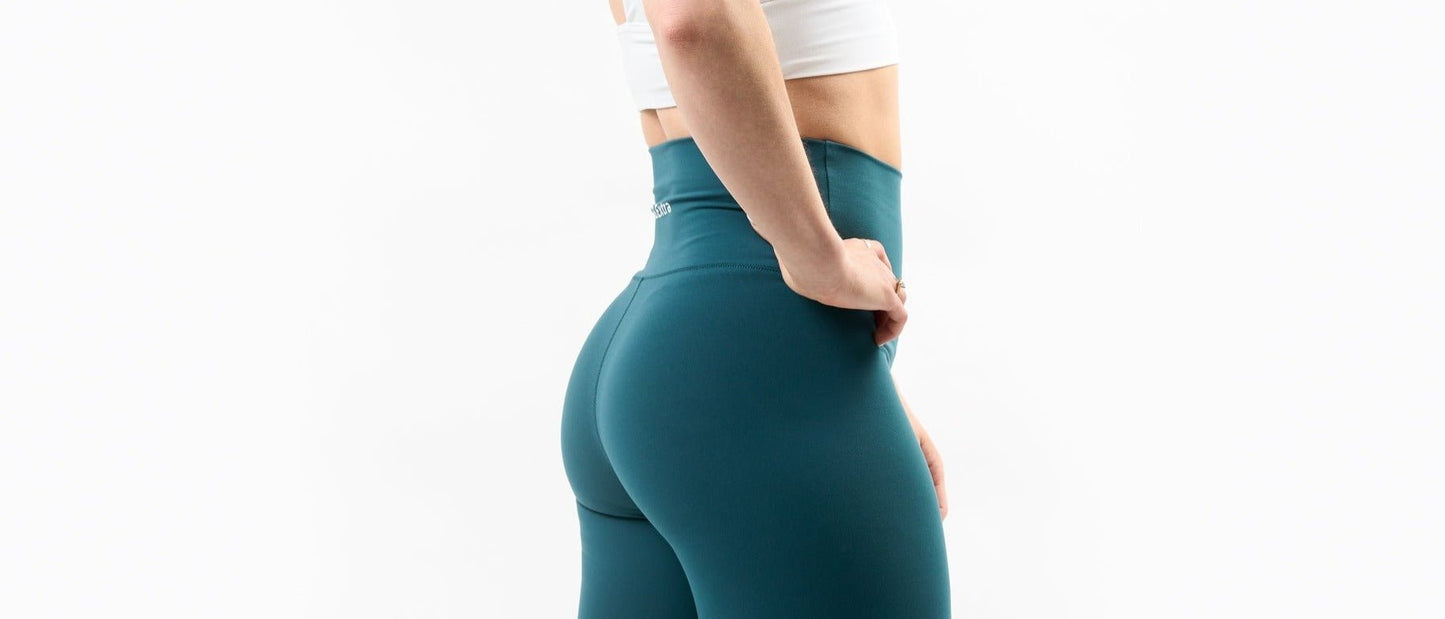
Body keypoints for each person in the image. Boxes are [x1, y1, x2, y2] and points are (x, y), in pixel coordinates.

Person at [559, 0, 951, 616]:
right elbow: (692, 19)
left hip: (693, 355)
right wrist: (819, 264)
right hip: (756, 358)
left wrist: (845, 368)